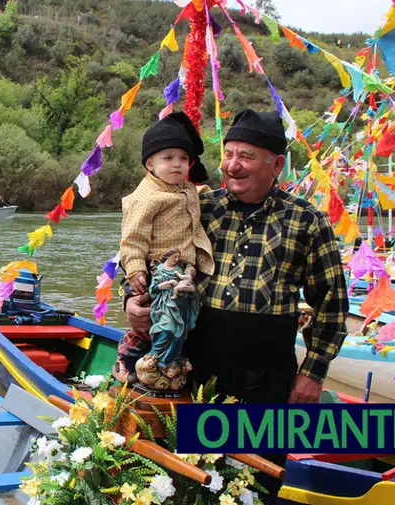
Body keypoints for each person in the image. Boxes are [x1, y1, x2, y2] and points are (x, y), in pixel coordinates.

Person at [123, 110, 348, 503]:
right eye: (228, 153)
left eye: (246, 155)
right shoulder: (196, 205)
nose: (231, 165)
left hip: (266, 380)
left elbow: (331, 304)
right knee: (180, 478)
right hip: (192, 370)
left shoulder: (307, 221)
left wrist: (312, 374)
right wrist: (132, 300)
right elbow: (136, 249)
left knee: (254, 484)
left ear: (276, 164)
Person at [114, 112, 214, 388]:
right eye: (168, 158)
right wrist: (134, 269)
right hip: (157, 270)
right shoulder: (144, 198)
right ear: (150, 163)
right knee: (159, 321)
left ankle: (169, 363)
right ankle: (127, 356)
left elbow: (195, 193)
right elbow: (131, 239)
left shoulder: (187, 190)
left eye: (183, 159)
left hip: (185, 274)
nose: (177, 165)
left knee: (177, 323)